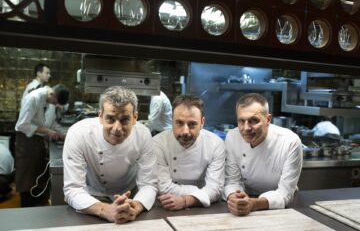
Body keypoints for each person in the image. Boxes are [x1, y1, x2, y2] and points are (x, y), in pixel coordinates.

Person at [63, 86, 157, 224]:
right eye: (110, 119)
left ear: (135, 118)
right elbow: (73, 189)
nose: (117, 128)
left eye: (125, 119)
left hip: (129, 197)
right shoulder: (78, 134)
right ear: (100, 116)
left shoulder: (143, 135)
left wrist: (135, 207)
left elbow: (149, 184)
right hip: (91, 198)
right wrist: (104, 210)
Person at [224, 93, 303, 216]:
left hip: (279, 207)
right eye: (241, 121)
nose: (246, 128)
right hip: (245, 201)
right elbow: (232, 181)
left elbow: (285, 193)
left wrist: (254, 204)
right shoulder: (232, 137)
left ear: (268, 120)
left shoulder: (290, 142)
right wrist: (235, 198)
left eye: (253, 121)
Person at [154, 95, 225, 210]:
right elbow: (163, 188)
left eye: (192, 124)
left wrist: (186, 201)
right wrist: (203, 193)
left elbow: (216, 188)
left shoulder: (215, 144)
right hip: (167, 205)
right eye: (179, 123)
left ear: (202, 122)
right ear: (172, 121)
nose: (185, 131)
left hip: (203, 208)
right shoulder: (158, 143)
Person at [15, 84, 70, 207]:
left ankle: (37, 205)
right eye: (54, 102)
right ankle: (26, 208)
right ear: (52, 94)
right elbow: (22, 124)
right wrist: (47, 131)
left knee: (36, 174)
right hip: (26, 141)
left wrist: (59, 133)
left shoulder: (46, 99)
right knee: (27, 177)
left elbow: (46, 122)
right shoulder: (33, 98)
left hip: (36, 140)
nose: (54, 105)